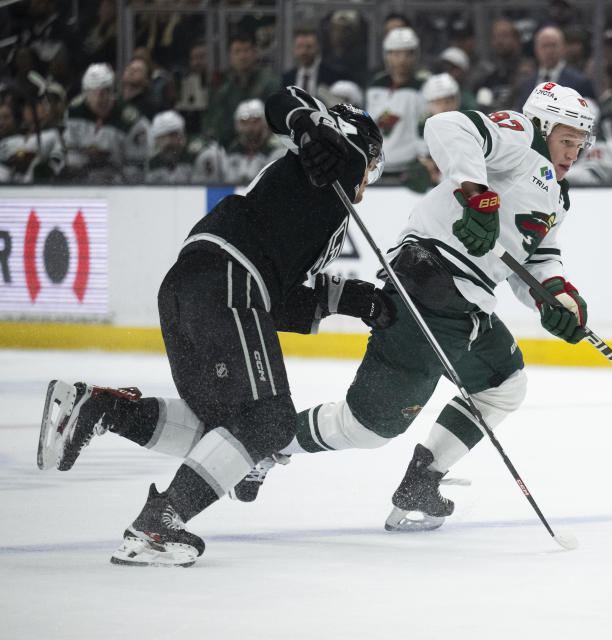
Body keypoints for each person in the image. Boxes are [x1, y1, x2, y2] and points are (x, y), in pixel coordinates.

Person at [37, 86, 391, 567]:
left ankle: (100, 409)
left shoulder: (313, 197)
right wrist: (309, 126)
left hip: (191, 285)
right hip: (229, 278)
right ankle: (158, 525)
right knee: (268, 420)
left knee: (227, 430)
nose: (367, 182)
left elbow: (279, 304)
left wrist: (348, 299)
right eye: (372, 169)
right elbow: (282, 99)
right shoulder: (338, 156)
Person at [233, 82, 596, 533]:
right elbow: (447, 125)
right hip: (427, 289)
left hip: (466, 309)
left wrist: (557, 298)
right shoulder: (520, 134)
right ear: (543, 126)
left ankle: (421, 482)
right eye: (567, 141)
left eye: (580, 145)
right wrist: (473, 192)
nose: (572, 154)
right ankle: (261, 443)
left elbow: (539, 257)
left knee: (504, 385)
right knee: (366, 427)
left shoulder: (557, 197)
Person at [62, 63, 150, 184]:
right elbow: (71, 154)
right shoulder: (74, 112)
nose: (98, 99)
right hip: (82, 184)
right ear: (85, 93)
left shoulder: (132, 121)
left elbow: (137, 168)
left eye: (104, 92)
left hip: (119, 187)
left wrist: (110, 173)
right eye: (93, 93)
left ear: (112, 91)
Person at [365, 26, 426, 180]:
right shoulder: (376, 85)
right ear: (387, 56)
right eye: (396, 53)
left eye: (408, 53)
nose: (402, 59)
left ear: (416, 55)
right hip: (376, 168)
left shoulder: (424, 87)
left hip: (410, 169)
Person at [204, 32, 283, 147]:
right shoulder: (223, 89)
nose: (242, 56)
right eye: (237, 52)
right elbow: (215, 126)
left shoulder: (270, 83)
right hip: (231, 149)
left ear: (255, 53)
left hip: (266, 147)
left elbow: (278, 121)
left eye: (246, 50)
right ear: (230, 57)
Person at [515, 26, 595, 109]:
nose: (549, 51)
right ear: (536, 49)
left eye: (553, 45)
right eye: (545, 46)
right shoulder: (526, 83)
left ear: (563, 47)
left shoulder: (580, 82)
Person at [145, 110, 222, 184]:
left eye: (173, 135)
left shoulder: (202, 153)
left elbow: (209, 191)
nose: (167, 142)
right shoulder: (153, 161)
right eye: (162, 138)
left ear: (183, 135)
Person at [221, 98, 285, 184]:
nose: (249, 128)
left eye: (255, 122)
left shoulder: (279, 150)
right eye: (244, 122)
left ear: (265, 123)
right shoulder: (233, 151)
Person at [281, 28, 348, 99]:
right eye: (299, 47)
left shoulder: (334, 75)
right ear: (293, 49)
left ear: (318, 48)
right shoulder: (287, 78)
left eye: (309, 47)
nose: (303, 52)